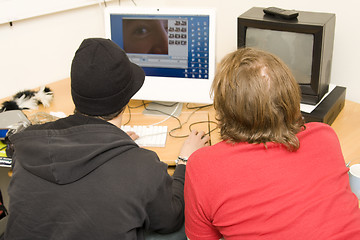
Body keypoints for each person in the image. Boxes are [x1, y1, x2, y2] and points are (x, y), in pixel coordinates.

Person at [2, 38, 209, 240]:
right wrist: (184, 162)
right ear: (126, 98)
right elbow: (171, 219)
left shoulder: (26, 146)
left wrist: (114, 144)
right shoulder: (142, 166)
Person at [184, 47, 360, 240]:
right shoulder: (325, 135)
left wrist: (184, 160)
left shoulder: (202, 166)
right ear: (291, 96)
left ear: (224, 109)